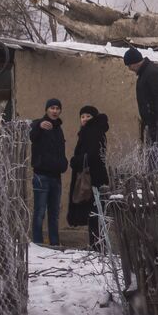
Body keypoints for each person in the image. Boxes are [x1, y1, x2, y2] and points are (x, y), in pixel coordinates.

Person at [68, 105, 110, 249]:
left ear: (94, 118)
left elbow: (92, 156)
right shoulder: (95, 130)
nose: (85, 119)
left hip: (93, 178)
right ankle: (97, 245)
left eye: (88, 116)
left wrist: (75, 161)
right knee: (96, 214)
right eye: (82, 116)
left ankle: (97, 246)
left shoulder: (92, 131)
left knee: (94, 214)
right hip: (96, 178)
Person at [29, 98, 68, 246]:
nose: (55, 111)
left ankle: (54, 243)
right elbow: (31, 134)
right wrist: (38, 125)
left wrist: (64, 163)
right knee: (39, 212)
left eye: (57, 108)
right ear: (46, 110)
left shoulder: (59, 128)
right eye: (52, 108)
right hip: (41, 176)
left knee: (54, 214)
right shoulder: (39, 124)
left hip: (56, 177)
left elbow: (60, 150)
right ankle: (38, 244)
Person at [123, 48, 158, 147]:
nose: (129, 69)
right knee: (155, 149)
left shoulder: (152, 73)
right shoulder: (145, 73)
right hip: (154, 120)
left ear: (135, 62)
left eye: (129, 65)